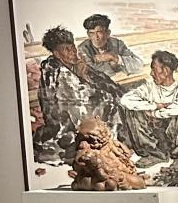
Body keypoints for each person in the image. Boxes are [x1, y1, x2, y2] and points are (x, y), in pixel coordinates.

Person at [34, 27, 117, 159]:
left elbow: (101, 83)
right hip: (65, 127)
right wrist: (84, 78)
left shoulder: (67, 66)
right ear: (57, 53)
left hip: (71, 117)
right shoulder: (58, 73)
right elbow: (80, 102)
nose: (73, 51)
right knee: (111, 104)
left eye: (73, 47)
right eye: (67, 49)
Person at [118, 50, 178, 166]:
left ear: (166, 71)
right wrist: (155, 106)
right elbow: (125, 100)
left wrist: (154, 113)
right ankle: (154, 154)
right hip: (156, 137)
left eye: (154, 69)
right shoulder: (150, 87)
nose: (151, 73)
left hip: (175, 136)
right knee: (132, 111)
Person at [78, 13, 143, 79]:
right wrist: (113, 66)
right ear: (88, 35)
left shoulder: (117, 44)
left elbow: (138, 64)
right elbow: (91, 71)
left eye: (99, 32)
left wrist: (114, 57)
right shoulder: (83, 48)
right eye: (92, 33)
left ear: (108, 33)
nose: (96, 37)